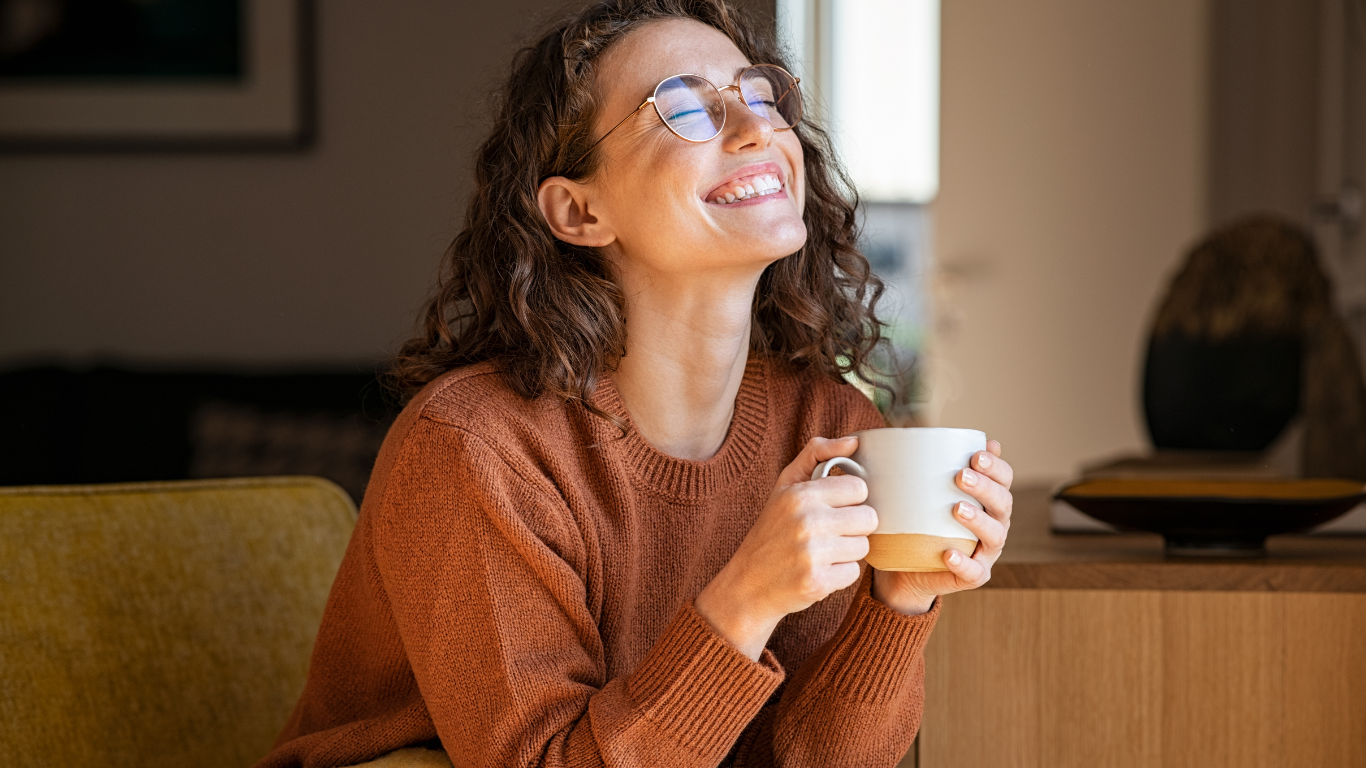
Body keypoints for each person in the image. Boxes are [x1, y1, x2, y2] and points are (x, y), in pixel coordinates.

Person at [256, 1, 1014, 766]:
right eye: (683, 106)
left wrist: (900, 599)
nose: (756, 128)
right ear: (579, 211)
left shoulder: (828, 422)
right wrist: (745, 599)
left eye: (758, 93)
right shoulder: (476, 448)